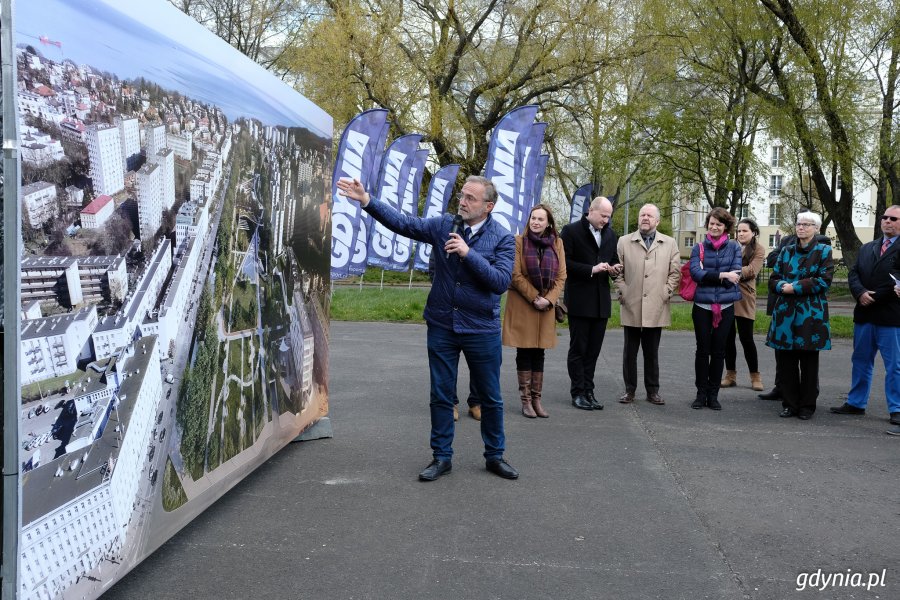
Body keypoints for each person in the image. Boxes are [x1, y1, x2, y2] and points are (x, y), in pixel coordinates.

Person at [336, 175, 519, 481]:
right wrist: (367, 201)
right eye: (462, 195)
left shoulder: (502, 237)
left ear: (488, 206)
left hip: (481, 328)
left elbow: (500, 282)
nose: (462, 201)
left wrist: (467, 253)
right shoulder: (443, 225)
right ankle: (441, 457)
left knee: (490, 397)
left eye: (471, 198)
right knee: (441, 394)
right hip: (442, 325)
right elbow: (405, 224)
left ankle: (495, 456)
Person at [830, 205, 900, 428]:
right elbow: (854, 273)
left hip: (891, 316)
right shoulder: (868, 247)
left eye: (893, 218)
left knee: (895, 365)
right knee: (860, 360)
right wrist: (859, 292)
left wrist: (876, 296)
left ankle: (896, 408)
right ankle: (856, 402)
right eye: (884, 217)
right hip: (864, 314)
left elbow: (894, 281)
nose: (887, 221)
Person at [766, 211, 833, 420]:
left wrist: (794, 287)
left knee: (809, 362)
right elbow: (773, 278)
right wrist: (780, 285)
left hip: (810, 314)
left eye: (806, 224)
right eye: (799, 223)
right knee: (786, 362)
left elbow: (823, 281)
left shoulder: (823, 251)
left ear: (816, 228)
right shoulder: (786, 251)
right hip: (785, 313)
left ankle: (807, 406)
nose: (801, 227)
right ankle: (790, 404)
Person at [502, 203, 567, 418]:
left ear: (549, 223)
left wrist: (548, 300)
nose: (536, 222)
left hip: (545, 307)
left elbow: (561, 277)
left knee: (539, 352)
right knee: (525, 351)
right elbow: (515, 274)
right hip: (524, 303)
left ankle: (537, 399)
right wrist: (535, 297)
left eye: (540, 219)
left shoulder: (557, 243)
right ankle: (526, 401)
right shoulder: (519, 241)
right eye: (533, 218)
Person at [614, 203, 682, 406]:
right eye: (642, 214)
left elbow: (675, 273)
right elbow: (617, 272)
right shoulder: (624, 241)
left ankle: (653, 391)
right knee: (630, 352)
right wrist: (623, 291)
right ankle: (629, 390)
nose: (645, 218)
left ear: (657, 221)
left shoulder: (670, 243)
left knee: (652, 352)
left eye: (650, 215)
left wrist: (665, 293)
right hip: (631, 303)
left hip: (656, 304)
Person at [559, 197, 619, 410]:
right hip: (580, 300)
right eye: (603, 216)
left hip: (601, 302)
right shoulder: (571, 231)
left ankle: (589, 391)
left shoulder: (611, 234)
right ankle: (577, 392)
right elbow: (563, 262)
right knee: (579, 349)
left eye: (608, 217)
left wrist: (614, 269)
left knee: (593, 351)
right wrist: (591, 269)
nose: (606, 220)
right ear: (590, 211)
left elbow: (612, 259)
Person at [689, 207, 742, 410]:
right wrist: (722, 275)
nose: (714, 227)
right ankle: (700, 394)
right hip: (702, 306)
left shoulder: (734, 247)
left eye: (719, 224)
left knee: (719, 351)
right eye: (711, 223)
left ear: (726, 226)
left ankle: (713, 395)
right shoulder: (698, 248)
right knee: (702, 350)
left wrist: (711, 275)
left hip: (726, 306)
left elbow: (734, 277)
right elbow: (696, 274)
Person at [721, 218, 766, 391]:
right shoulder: (729, 245)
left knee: (747, 338)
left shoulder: (759, 249)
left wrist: (728, 272)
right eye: (738, 231)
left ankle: (755, 376)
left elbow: (752, 270)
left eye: (744, 231)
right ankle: (730, 375)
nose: (740, 234)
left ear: (753, 232)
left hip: (745, 296)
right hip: (726, 295)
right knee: (727, 338)